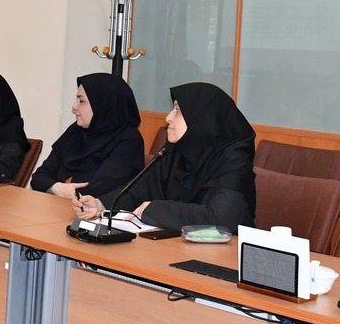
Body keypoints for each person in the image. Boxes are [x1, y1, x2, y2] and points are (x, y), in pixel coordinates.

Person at [72, 82, 256, 231]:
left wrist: (155, 209)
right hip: (176, 245)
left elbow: (219, 219)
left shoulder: (234, 162)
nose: (168, 117)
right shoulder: (175, 150)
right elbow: (139, 190)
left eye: (177, 111)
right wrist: (101, 204)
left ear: (202, 118)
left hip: (222, 256)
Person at [30, 73, 145, 198]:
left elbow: (97, 190)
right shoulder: (76, 131)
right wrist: (57, 188)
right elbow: (38, 178)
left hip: (93, 210)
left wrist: (59, 188)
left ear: (102, 104)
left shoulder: (129, 140)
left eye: (81, 101)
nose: (74, 106)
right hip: (58, 205)